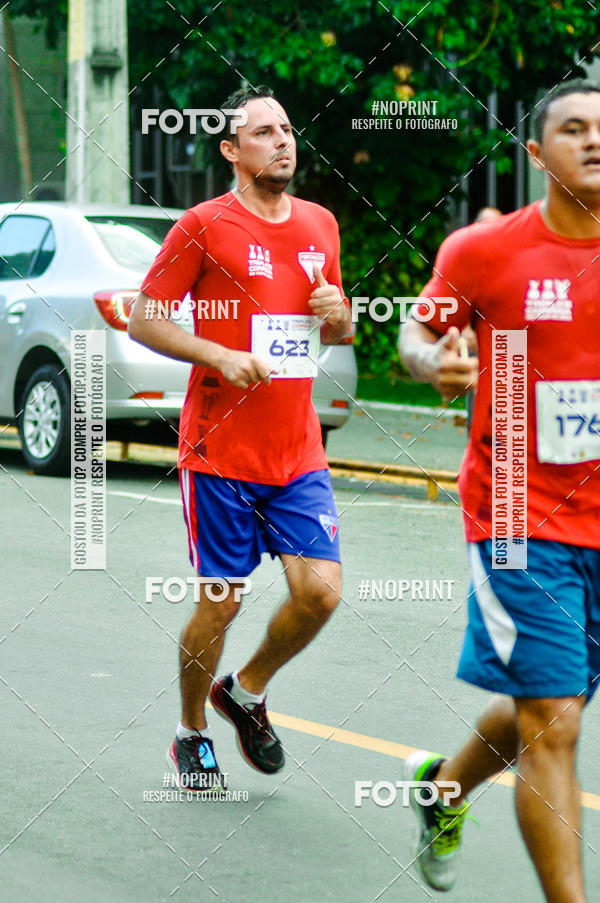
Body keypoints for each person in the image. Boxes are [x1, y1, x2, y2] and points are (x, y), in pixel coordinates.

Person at [399, 78, 600, 901]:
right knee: (555, 724)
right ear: (535, 154)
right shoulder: (486, 252)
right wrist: (432, 363)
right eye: (575, 128)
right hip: (519, 512)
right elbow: (418, 333)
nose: (595, 140)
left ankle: (443, 787)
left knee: (550, 705)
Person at [128, 85, 351, 791]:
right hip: (220, 452)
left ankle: (245, 691)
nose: (283, 140)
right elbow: (143, 318)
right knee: (221, 600)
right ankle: (191, 730)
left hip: (296, 450)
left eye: (287, 128)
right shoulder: (203, 225)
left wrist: (341, 314)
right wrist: (215, 354)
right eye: (264, 131)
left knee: (320, 593)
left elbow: (339, 328)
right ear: (232, 150)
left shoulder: (321, 224)